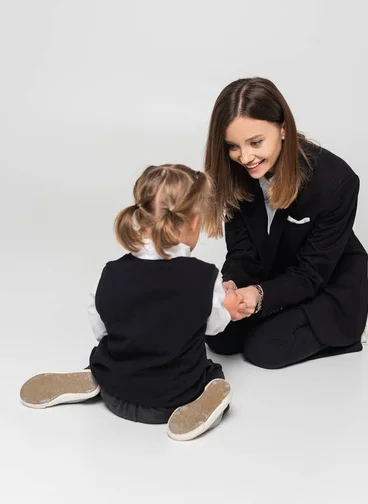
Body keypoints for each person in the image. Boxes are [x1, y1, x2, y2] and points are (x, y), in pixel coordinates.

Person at [20, 164, 247, 441]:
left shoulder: (111, 272)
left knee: (110, 350)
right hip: (171, 400)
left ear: (140, 218)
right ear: (194, 222)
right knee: (212, 370)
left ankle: (98, 375)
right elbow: (213, 327)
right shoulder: (203, 277)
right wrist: (229, 308)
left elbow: (100, 321)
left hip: (115, 394)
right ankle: (209, 400)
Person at [204, 77, 368, 369]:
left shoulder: (337, 182)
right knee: (220, 337)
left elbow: (311, 274)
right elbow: (242, 252)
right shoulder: (235, 174)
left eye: (256, 142)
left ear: (283, 128)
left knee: (265, 349)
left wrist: (259, 295)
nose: (245, 157)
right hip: (274, 274)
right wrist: (231, 285)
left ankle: (359, 323)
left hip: (325, 281)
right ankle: (274, 312)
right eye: (233, 146)